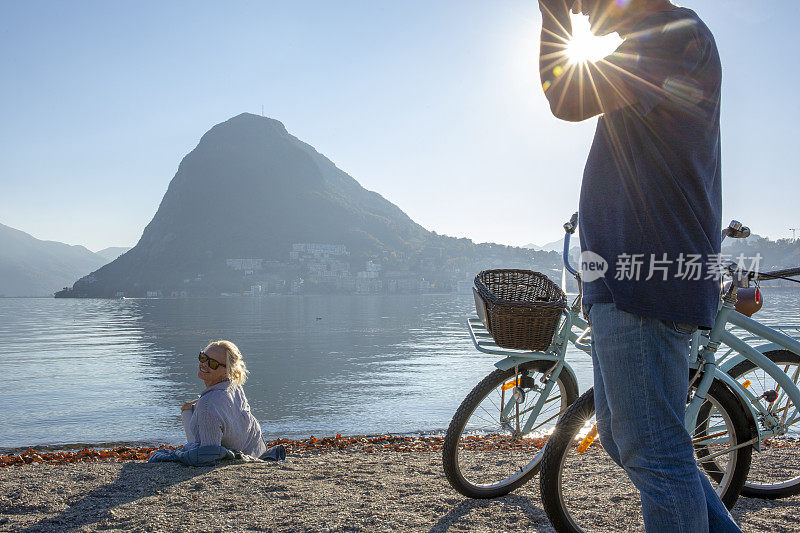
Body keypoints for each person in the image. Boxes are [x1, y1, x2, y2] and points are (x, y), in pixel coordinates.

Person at [537, 1, 740, 531]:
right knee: (630, 440)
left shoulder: (669, 36)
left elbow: (565, 97)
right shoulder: (660, 40)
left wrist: (552, 16)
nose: (584, 14)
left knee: (656, 453)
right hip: (632, 280)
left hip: (644, 280)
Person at [180, 340, 268, 458]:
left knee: (188, 412)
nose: (204, 364)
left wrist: (182, 452)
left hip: (242, 457)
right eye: (203, 357)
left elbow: (208, 454)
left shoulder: (207, 406)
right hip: (258, 449)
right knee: (188, 409)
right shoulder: (235, 386)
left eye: (213, 364)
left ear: (226, 371)